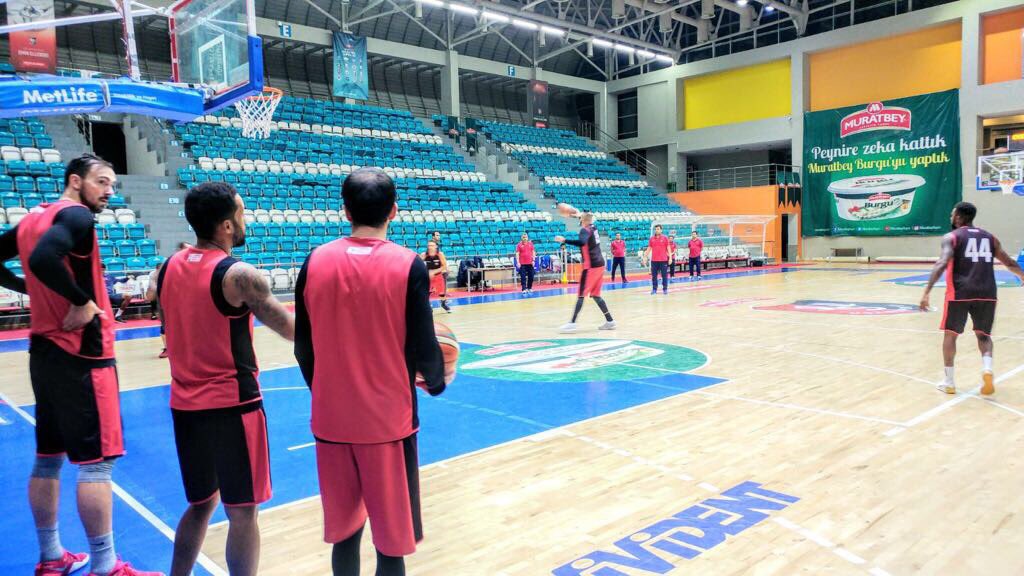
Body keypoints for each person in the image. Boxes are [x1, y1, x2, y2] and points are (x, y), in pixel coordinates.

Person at [0, 154, 162, 576]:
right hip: (84, 355)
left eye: (112, 184)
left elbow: (25, 262)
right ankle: (105, 565)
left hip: (44, 352)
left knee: (47, 459)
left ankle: (51, 557)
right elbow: (43, 260)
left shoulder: (32, 219)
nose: (109, 190)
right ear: (75, 181)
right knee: (97, 464)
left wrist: (28, 289)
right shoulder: (77, 216)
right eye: (101, 182)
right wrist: (82, 300)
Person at [294, 168, 447, 576]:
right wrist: (435, 381)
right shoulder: (409, 265)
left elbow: (303, 347)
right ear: (394, 211)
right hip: (388, 424)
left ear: (345, 211)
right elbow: (424, 344)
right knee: (391, 545)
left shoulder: (314, 261)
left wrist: (325, 392)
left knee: (345, 535)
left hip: (331, 421)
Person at [159, 182, 295, 576]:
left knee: (201, 504)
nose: (245, 219)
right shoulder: (239, 275)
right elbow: (291, 330)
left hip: (185, 407)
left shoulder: (167, 268)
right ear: (227, 226)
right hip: (233, 408)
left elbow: (168, 326)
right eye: (241, 212)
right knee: (242, 512)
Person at [919, 202, 1024, 395]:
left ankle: (949, 382)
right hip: (987, 292)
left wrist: (927, 291)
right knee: (984, 336)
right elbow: (1008, 262)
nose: (951, 217)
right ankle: (987, 368)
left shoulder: (952, 237)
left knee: (950, 335)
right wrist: (1022, 276)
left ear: (959, 217)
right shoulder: (990, 237)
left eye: (952, 214)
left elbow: (942, 262)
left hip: (959, 293)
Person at [554, 212, 616, 333]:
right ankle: (610, 321)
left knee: (581, 295)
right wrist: (577, 215)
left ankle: (572, 323)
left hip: (591, 266)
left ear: (583, 220)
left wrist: (564, 240)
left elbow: (582, 242)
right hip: (600, 265)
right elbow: (586, 218)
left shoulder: (584, 230)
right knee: (596, 295)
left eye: (580, 219)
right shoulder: (594, 227)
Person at [145, 242, 191, 359]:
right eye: (186, 249)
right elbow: (152, 292)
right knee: (166, 326)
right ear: (179, 250)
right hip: (169, 301)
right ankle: (167, 348)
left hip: (187, 300)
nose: (190, 252)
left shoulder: (193, 264)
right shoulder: (169, 264)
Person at [422, 240, 452, 312]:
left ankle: (443, 304)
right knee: (427, 292)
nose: (430, 247)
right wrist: (426, 272)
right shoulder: (424, 255)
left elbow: (444, 266)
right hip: (428, 276)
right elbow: (418, 264)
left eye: (432, 245)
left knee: (442, 293)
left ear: (436, 246)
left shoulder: (440, 254)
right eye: (429, 245)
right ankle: (429, 306)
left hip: (438, 275)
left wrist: (433, 272)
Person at [645, 224, 670, 294]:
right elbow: (649, 248)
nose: (656, 230)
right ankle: (654, 289)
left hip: (663, 260)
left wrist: (670, 257)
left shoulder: (665, 238)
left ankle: (665, 289)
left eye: (658, 229)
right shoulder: (651, 239)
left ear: (661, 230)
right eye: (655, 229)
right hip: (654, 261)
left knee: (664, 276)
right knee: (654, 276)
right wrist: (645, 256)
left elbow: (668, 247)